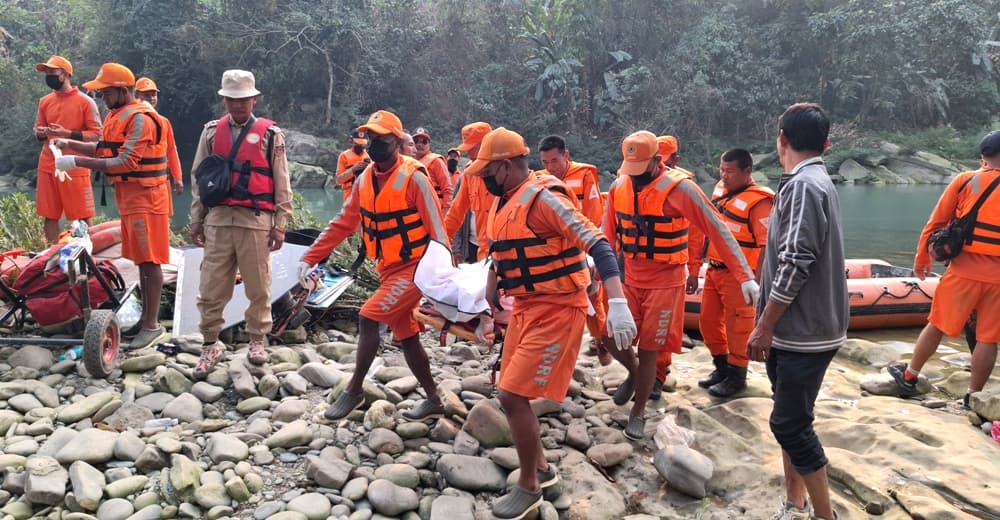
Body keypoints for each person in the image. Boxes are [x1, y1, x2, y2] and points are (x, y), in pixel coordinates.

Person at [463, 127, 636, 520]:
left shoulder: (546, 200)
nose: (483, 180)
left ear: (505, 167)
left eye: (487, 172)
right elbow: (502, 252)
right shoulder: (504, 198)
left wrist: (618, 302)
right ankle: (542, 468)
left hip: (559, 308)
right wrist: (492, 287)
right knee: (506, 382)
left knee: (510, 395)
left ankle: (529, 486)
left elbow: (600, 245)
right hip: (526, 306)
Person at [603, 131, 757, 440]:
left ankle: (639, 411)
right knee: (607, 336)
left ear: (657, 161)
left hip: (665, 282)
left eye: (640, 169)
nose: (634, 177)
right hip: (631, 278)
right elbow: (606, 237)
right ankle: (633, 375)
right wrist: (598, 274)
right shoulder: (618, 186)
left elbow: (717, 230)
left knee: (649, 349)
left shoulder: (681, 189)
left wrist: (745, 276)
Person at [298, 110, 448, 422]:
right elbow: (342, 224)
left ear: (396, 141)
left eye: (382, 138)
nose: (375, 143)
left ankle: (354, 390)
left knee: (368, 317)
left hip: (417, 268)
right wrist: (309, 257)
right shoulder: (365, 179)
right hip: (388, 269)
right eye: (371, 137)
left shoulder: (414, 177)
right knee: (407, 337)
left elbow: (439, 232)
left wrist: (443, 283)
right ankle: (434, 398)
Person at [747, 103, 846, 520]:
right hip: (799, 331)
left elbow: (797, 261)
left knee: (790, 425)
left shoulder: (806, 185)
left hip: (805, 332)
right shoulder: (811, 180)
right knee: (789, 416)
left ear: (781, 138)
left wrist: (763, 326)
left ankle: (824, 515)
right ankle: (795, 503)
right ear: (825, 142)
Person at [51, 63, 173, 349]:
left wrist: (75, 162)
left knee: (151, 260)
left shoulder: (142, 118)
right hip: (129, 198)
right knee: (141, 259)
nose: (103, 98)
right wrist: (68, 143)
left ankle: (152, 325)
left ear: (122, 90)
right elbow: (104, 149)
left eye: (106, 92)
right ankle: (146, 320)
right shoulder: (116, 115)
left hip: (148, 198)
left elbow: (125, 162)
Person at [188, 69, 293, 376]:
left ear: (255, 99)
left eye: (244, 99)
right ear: (223, 100)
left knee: (259, 285)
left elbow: (281, 181)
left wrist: (281, 223)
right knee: (211, 286)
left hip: (256, 220)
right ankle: (210, 343)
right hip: (218, 221)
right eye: (232, 100)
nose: (238, 105)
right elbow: (200, 178)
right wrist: (196, 220)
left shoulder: (272, 135)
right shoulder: (210, 133)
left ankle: (257, 340)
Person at [890, 130, 1000, 407]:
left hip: (962, 272)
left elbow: (936, 223)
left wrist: (921, 258)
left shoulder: (965, 181)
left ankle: (910, 375)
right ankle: (973, 397)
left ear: (983, 157)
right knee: (988, 338)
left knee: (937, 324)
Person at [698, 148, 774, 397]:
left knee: (738, 328)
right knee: (708, 322)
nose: (724, 175)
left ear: (747, 172)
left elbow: (766, 245)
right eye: (722, 170)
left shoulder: (760, 201)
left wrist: (757, 281)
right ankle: (721, 368)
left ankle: (737, 376)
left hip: (740, 277)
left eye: (730, 171)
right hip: (714, 269)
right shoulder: (719, 189)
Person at [537, 135, 611, 366]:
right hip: (552, 251)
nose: (550, 167)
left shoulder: (584, 176)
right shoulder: (540, 180)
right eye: (545, 162)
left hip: (580, 246)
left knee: (592, 297)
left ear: (566, 156)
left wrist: (590, 253)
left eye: (554, 161)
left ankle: (602, 343)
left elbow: (594, 215)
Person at [651, 134, 701, 399]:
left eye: (661, 159)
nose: (656, 164)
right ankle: (640, 371)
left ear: (674, 160)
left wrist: (694, 270)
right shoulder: (633, 182)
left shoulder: (683, 187)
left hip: (669, 269)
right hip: (638, 270)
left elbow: (696, 234)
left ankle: (657, 376)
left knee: (663, 325)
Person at [33, 55, 101, 244]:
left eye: (52, 72)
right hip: (48, 163)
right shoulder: (45, 101)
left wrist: (68, 134)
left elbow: (96, 135)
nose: (48, 76)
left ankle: (87, 255)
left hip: (75, 165)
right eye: (46, 73)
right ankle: (52, 254)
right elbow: (37, 130)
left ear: (65, 74)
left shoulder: (85, 102)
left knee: (82, 216)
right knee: (49, 214)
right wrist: (41, 133)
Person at [444, 122, 494, 261]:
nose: (469, 153)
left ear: (487, 144)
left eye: (473, 147)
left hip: (504, 257)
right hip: (480, 254)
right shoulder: (469, 174)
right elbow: (455, 212)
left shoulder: (506, 173)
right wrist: (440, 243)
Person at [134, 77, 184, 196]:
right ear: (136, 96)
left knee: (164, 214)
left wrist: (177, 177)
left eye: (154, 95)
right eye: (146, 95)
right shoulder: (132, 121)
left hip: (161, 184)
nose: (151, 98)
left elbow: (171, 150)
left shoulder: (164, 122)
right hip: (138, 185)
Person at [413, 127, 453, 212]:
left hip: (434, 211)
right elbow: (397, 188)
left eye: (424, 142)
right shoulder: (405, 163)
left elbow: (448, 189)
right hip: (414, 212)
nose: (420, 145)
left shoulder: (436, 161)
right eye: (416, 141)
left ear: (429, 145)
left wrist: (445, 213)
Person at [335, 128, 370, 199]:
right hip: (349, 196)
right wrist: (353, 169)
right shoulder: (344, 156)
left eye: (362, 144)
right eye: (357, 143)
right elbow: (338, 180)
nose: (360, 146)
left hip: (366, 196)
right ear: (351, 141)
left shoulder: (369, 156)